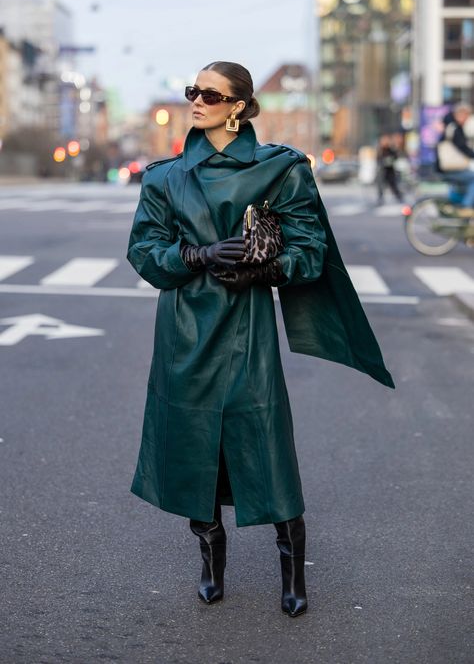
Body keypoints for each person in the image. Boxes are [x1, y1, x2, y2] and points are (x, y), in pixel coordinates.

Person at [127, 61, 394, 618]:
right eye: (191, 91)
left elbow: (309, 250)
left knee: (264, 441)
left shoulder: (281, 169)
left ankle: (292, 565)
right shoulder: (163, 177)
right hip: (183, 326)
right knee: (192, 443)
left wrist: (266, 270)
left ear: (239, 107)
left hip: (247, 323)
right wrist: (196, 255)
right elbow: (145, 253)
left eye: (209, 94)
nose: (195, 101)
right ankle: (210, 556)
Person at [436, 102, 474, 217]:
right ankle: (466, 207)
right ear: (460, 114)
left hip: (446, 167)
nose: (467, 119)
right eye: (466, 116)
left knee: (465, 183)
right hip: (448, 167)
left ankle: (453, 206)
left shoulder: (450, 125)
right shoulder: (454, 128)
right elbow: (462, 147)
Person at [376, 134, 403, 204]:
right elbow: (378, 160)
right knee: (381, 186)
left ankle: (399, 197)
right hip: (382, 171)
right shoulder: (380, 150)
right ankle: (380, 199)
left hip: (390, 171)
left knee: (393, 185)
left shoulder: (391, 150)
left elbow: (395, 157)